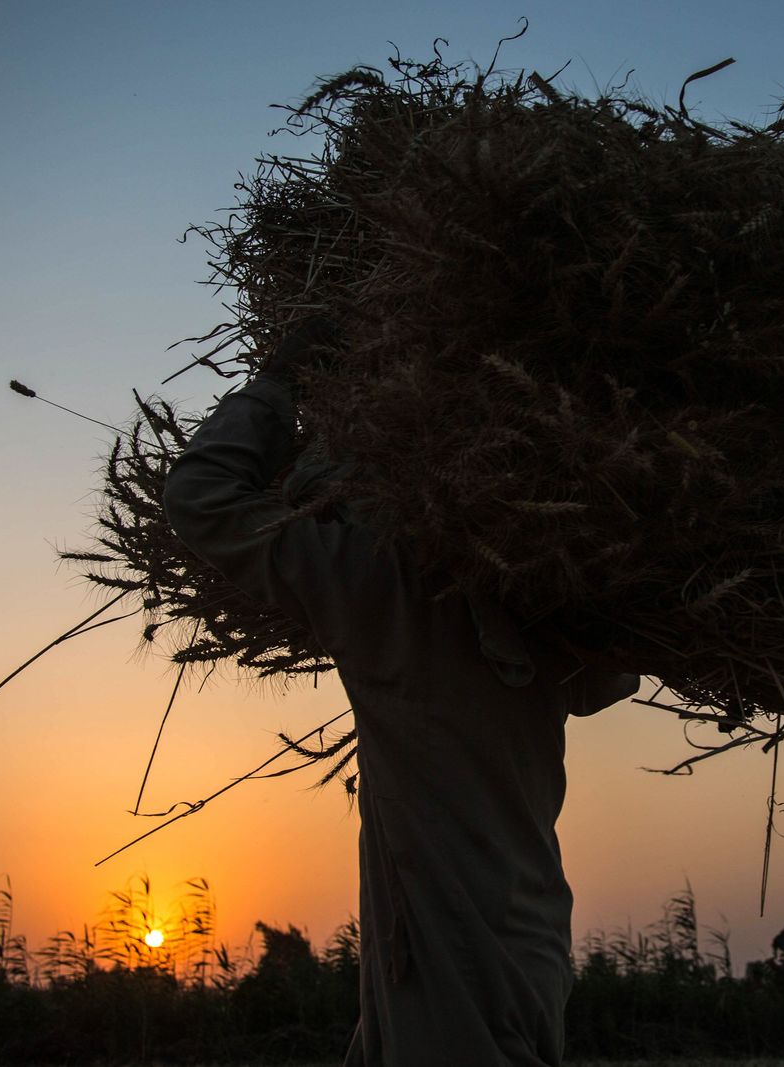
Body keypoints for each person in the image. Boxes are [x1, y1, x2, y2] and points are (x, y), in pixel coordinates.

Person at [162, 329, 638, 1065]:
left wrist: (277, 385)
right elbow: (611, 673)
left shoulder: (377, 579)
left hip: (449, 964)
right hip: (526, 949)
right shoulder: (547, 604)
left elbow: (201, 497)